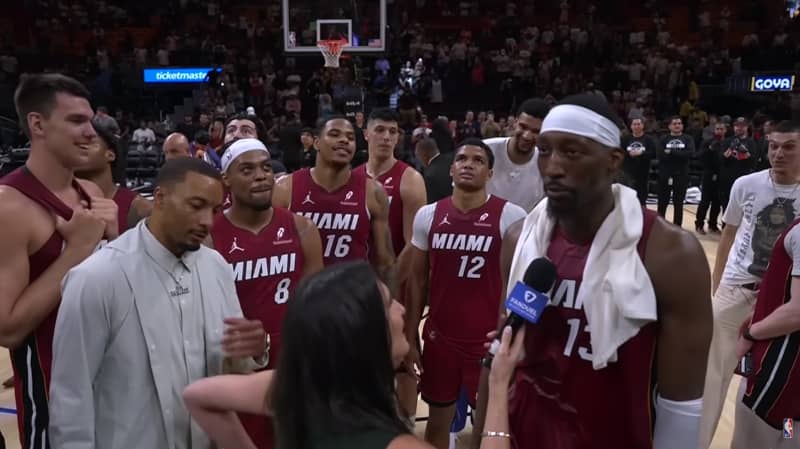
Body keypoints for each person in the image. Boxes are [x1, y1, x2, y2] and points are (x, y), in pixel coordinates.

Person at [472, 94, 712, 449]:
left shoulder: (670, 253)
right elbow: (502, 353)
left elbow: (682, 405)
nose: (552, 166)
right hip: (525, 432)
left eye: (571, 152)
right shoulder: (520, 240)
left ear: (613, 161)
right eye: (546, 150)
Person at [182, 261, 527, 449]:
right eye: (388, 303)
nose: (403, 309)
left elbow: (198, 396)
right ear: (363, 335)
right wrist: (498, 387)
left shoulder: (297, 391)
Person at [49, 158, 270, 449]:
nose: (207, 221)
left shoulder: (217, 267)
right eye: (196, 205)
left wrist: (254, 350)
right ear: (161, 198)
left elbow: (230, 367)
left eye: (214, 210)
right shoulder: (96, 278)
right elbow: (70, 396)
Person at [0, 73, 119, 449]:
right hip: (55, 399)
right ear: (37, 124)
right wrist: (77, 252)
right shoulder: (9, 206)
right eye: (76, 121)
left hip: (112, 380)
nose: (90, 132)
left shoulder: (92, 192)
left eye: (91, 121)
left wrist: (117, 243)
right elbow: (7, 330)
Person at [405, 138, 526, 449]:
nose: (468, 164)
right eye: (461, 159)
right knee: (437, 425)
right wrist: (410, 335)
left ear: (490, 173)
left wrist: (512, 336)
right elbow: (417, 282)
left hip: (487, 342)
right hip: (440, 338)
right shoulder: (428, 215)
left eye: (477, 160)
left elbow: (520, 284)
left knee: (489, 428)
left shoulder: (511, 216)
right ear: (451, 169)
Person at [208, 138, 324, 448]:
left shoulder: (303, 229)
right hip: (238, 366)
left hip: (293, 361)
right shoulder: (209, 237)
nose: (261, 176)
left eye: (265, 167)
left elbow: (316, 311)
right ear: (226, 180)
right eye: (247, 169)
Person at [699, 120, 800, 449]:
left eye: (788, 147)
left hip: (783, 305)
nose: (778, 153)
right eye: (773, 146)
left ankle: (777, 441)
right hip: (736, 290)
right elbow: (727, 236)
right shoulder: (745, 184)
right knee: (710, 382)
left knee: (776, 393)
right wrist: (717, 287)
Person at [272, 116, 394, 279]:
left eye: (350, 137)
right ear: (317, 143)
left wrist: (388, 301)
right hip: (302, 296)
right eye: (334, 134)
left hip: (352, 295)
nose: (344, 140)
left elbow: (385, 262)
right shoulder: (284, 188)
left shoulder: (374, 192)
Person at [729, 214, 800, 449]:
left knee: (750, 442)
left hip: (776, 370)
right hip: (791, 389)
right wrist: (765, 311)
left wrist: (751, 333)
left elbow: (798, 311)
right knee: (789, 430)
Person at [354, 108, 427, 258]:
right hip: (355, 275)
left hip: (392, 274)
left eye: (392, 131)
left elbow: (413, 245)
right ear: (366, 134)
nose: (386, 137)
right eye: (380, 130)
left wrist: (391, 279)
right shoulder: (352, 177)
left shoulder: (410, 179)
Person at [76, 116, 153, 233]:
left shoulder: (138, 207)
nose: (81, 147)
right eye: (75, 144)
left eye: (89, 141)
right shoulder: (60, 205)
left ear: (110, 155)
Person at [483, 98, 551, 212]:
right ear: (515, 122)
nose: (527, 136)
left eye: (536, 131)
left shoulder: (546, 163)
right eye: (523, 127)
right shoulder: (485, 150)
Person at [657, 116, 696, 226]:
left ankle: (677, 227)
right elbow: (660, 155)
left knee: (678, 203)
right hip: (665, 174)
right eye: (674, 123)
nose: (677, 125)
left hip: (681, 174)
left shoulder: (688, 139)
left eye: (679, 123)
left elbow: (689, 154)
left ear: (682, 126)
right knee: (662, 202)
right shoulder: (663, 139)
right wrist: (679, 153)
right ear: (669, 126)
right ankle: (660, 226)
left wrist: (671, 151)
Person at [695, 122, 726, 234]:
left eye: (721, 129)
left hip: (722, 175)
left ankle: (713, 225)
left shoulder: (727, 143)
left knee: (717, 202)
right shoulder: (707, 142)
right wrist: (709, 149)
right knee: (705, 201)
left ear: (725, 130)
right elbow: (699, 156)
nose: (719, 131)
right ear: (714, 130)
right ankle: (699, 224)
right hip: (708, 174)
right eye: (717, 129)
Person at [620, 117, 657, 205]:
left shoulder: (648, 139)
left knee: (641, 199)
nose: (636, 126)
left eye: (638, 124)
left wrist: (641, 153)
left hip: (643, 173)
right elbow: (620, 152)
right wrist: (629, 154)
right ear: (631, 126)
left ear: (643, 126)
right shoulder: (625, 139)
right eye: (634, 124)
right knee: (627, 199)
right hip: (628, 173)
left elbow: (653, 153)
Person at [416, 137, 454, 204]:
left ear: (423, 155)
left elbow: (432, 205)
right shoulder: (452, 159)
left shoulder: (429, 176)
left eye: (417, 155)